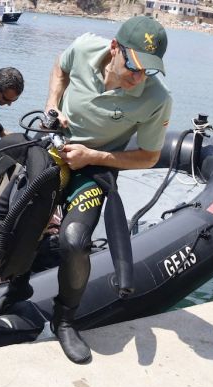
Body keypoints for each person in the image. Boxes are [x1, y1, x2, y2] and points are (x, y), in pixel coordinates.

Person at [44, 16, 172, 363]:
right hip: (54, 148)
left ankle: (65, 319)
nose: (139, 76)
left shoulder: (157, 98)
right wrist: (53, 104)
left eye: (149, 70)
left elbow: (149, 156)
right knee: (12, 208)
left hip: (95, 167)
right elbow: (60, 65)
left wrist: (94, 156)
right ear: (115, 49)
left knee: (73, 240)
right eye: (134, 66)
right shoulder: (86, 47)